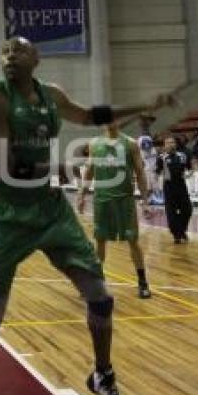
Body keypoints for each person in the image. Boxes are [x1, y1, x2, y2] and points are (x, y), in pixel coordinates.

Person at [0, 37, 173, 395]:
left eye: (18, 50)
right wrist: (58, 169)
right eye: (6, 51)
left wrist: (146, 105)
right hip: (9, 211)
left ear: (36, 59)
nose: (9, 56)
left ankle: (103, 377)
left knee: (100, 296)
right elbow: (7, 169)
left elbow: (91, 115)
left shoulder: (51, 96)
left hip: (50, 209)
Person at [77, 123, 152, 299]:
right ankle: (96, 284)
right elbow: (89, 171)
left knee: (133, 241)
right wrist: (82, 195)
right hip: (102, 199)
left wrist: (145, 199)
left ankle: (142, 283)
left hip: (124, 199)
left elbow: (140, 172)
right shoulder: (94, 143)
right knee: (100, 241)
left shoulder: (130, 144)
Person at [155, 136, 194, 244]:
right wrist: (156, 183)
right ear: (164, 145)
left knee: (188, 210)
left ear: (175, 144)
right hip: (168, 187)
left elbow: (191, 168)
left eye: (172, 142)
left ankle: (181, 230)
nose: (170, 144)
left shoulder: (183, 156)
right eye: (168, 143)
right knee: (171, 213)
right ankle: (177, 234)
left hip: (181, 186)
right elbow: (157, 172)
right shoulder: (161, 157)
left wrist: (188, 174)